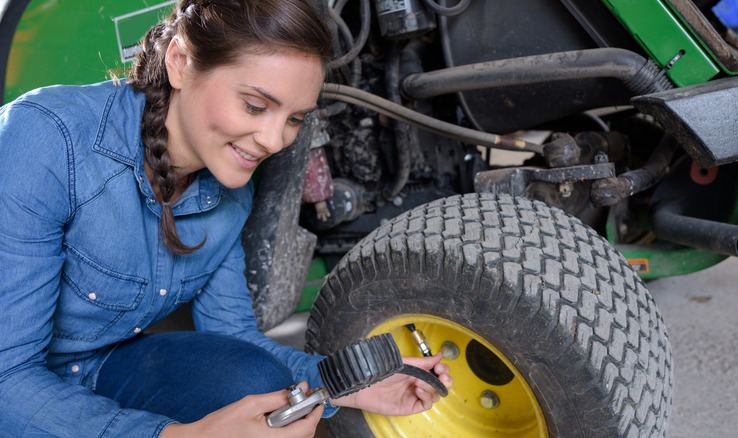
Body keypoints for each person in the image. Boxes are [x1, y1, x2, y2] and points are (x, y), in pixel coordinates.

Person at [0, 0, 452, 436]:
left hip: (98, 365)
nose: (275, 140)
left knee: (258, 387)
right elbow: (8, 378)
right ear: (179, 61)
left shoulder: (230, 192)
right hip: (14, 375)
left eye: (294, 118)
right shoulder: (46, 139)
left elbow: (235, 338)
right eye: (255, 106)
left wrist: (348, 384)